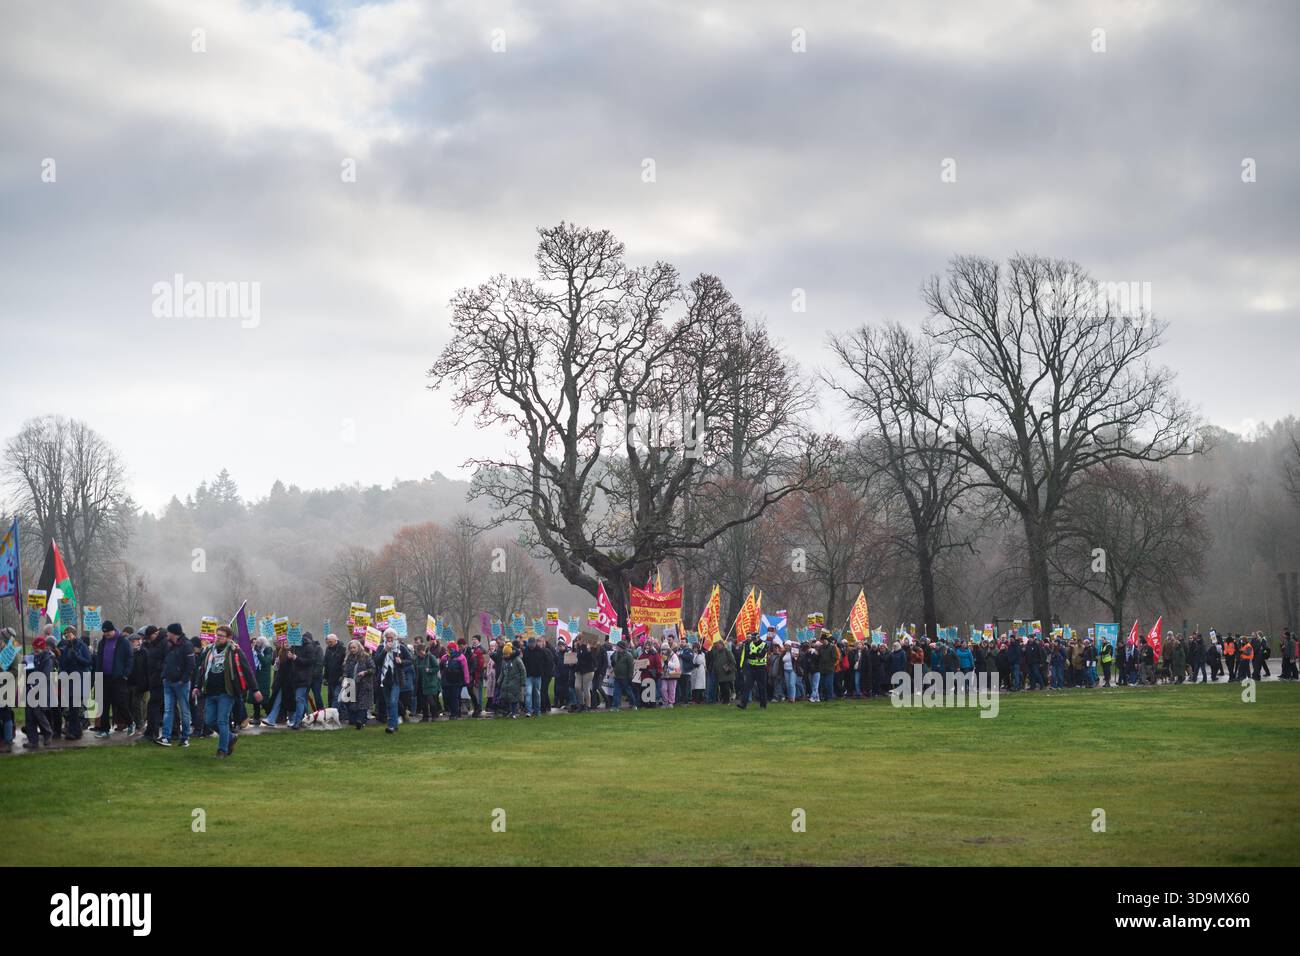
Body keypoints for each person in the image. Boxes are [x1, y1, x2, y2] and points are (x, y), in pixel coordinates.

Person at [194, 625, 261, 757]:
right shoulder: (209, 650)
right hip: (210, 692)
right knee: (209, 721)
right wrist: (197, 686)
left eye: (221, 636)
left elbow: (247, 670)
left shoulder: (235, 651)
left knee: (222, 721)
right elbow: (202, 669)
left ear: (229, 638)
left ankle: (222, 750)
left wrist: (255, 689)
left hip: (227, 692)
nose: (218, 638)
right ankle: (230, 737)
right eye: (217, 635)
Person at [156, 623, 195, 747]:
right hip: (168, 681)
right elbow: (165, 661)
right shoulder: (168, 645)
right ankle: (166, 737)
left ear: (173, 633)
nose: (166, 634)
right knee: (168, 710)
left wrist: (183, 680)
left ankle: (185, 737)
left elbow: (190, 665)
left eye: (168, 632)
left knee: (184, 710)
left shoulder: (187, 645)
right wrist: (164, 675)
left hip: (181, 684)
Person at [92, 621, 133, 737]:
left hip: (118, 677)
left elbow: (130, 658)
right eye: (104, 632)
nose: (106, 634)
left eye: (108, 632)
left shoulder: (123, 641)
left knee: (120, 702)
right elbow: (99, 659)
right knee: (104, 704)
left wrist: (125, 674)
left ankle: (130, 723)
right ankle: (104, 729)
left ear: (113, 630)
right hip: (104, 677)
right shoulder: (102, 642)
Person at [57, 625, 92, 740]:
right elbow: (62, 664)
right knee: (72, 708)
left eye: (69, 633)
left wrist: (77, 657)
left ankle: (75, 731)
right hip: (69, 681)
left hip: (79, 680)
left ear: (74, 633)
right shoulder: (66, 648)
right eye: (65, 634)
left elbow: (88, 662)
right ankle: (74, 731)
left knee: (75, 708)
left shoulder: (82, 646)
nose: (67, 635)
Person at [22, 634, 55, 748]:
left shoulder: (48, 659)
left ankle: (48, 733)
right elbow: (25, 673)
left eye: (37, 649)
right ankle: (33, 740)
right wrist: (24, 664)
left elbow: (45, 676)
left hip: (41, 690)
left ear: (43, 648)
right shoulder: (30, 657)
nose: (35, 651)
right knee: (29, 716)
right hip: (30, 690)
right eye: (34, 649)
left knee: (39, 714)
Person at [341, 639, 374, 729]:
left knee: (362, 703)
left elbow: (373, 669)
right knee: (351, 702)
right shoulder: (349, 658)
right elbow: (345, 671)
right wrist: (344, 678)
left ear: (358, 647)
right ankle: (354, 720)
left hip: (364, 683)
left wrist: (365, 672)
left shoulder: (366, 657)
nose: (352, 650)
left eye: (354, 648)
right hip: (351, 683)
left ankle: (360, 721)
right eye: (351, 648)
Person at [737, 631, 769, 710]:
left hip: (761, 668)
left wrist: (753, 654)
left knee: (761, 687)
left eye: (754, 639)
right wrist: (755, 654)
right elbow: (748, 655)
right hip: (751, 668)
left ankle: (763, 705)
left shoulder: (764, 645)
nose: (753, 640)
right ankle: (743, 704)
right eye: (752, 639)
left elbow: (761, 655)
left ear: (758, 638)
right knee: (747, 686)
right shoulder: (750, 644)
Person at [126, 630, 150, 736]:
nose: (133, 643)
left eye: (134, 641)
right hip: (129, 682)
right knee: (131, 704)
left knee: (137, 703)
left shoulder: (143, 652)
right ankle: (135, 723)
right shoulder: (128, 653)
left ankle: (140, 724)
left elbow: (146, 668)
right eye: (131, 641)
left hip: (140, 682)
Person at [441, 641, 471, 719]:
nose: (449, 650)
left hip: (457, 681)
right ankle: (454, 711)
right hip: (447, 681)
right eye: (448, 649)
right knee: (447, 697)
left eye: (450, 649)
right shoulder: (444, 657)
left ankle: (455, 713)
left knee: (454, 697)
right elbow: (441, 668)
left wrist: (466, 680)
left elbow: (465, 669)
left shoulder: (461, 657)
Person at [498, 641, 526, 718]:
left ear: (510, 653)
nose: (505, 655)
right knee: (508, 697)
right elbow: (502, 672)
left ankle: (515, 712)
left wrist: (523, 682)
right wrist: (499, 681)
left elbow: (523, 670)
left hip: (515, 682)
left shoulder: (517, 659)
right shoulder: (504, 660)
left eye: (506, 654)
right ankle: (511, 711)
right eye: (504, 654)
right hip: (506, 682)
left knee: (514, 698)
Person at [522, 637, 547, 717]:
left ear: (535, 643)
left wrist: (542, 670)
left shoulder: (541, 651)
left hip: (537, 675)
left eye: (532, 643)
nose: (531, 645)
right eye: (530, 644)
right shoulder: (525, 651)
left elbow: (546, 661)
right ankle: (528, 711)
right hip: (528, 675)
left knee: (537, 693)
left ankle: (537, 710)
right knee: (528, 693)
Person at [610, 639, 637, 711]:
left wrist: (630, 677)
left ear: (621, 647)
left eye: (617, 646)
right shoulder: (616, 654)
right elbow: (612, 660)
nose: (616, 647)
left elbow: (631, 667)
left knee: (628, 691)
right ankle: (616, 706)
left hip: (625, 677)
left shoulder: (628, 655)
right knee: (616, 692)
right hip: (617, 676)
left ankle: (633, 704)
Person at [710, 636, 736, 705]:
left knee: (726, 688)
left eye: (718, 645)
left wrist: (729, 668)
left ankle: (727, 701)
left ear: (722, 645)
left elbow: (733, 661)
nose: (717, 646)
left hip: (727, 673)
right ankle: (724, 700)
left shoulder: (727, 651)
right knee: (722, 687)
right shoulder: (717, 652)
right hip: (720, 674)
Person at [323, 633, 345, 707]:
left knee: (337, 696)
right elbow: (326, 664)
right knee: (331, 696)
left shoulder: (342, 649)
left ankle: (333, 713)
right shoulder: (328, 649)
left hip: (339, 677)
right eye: (328, 642)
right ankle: (338, 712)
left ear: (336, 640)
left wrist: (343, 675)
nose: (329, 644)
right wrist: (325, 677)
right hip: (330, 677)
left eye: (330, 642)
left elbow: (344, 663)